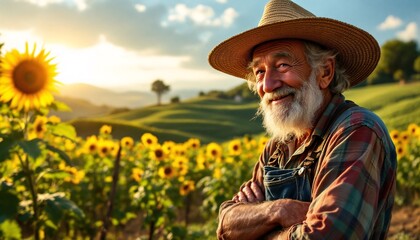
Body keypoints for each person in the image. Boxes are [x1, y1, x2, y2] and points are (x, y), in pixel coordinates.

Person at [208, 0, 397, 239]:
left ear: (324, 72)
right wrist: (278, 210)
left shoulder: (356, 129)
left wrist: (256, 225)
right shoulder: (277, 146)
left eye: (283, 65)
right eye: (260, 72)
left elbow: (327, 235)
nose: (267, 85)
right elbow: (226, 225)